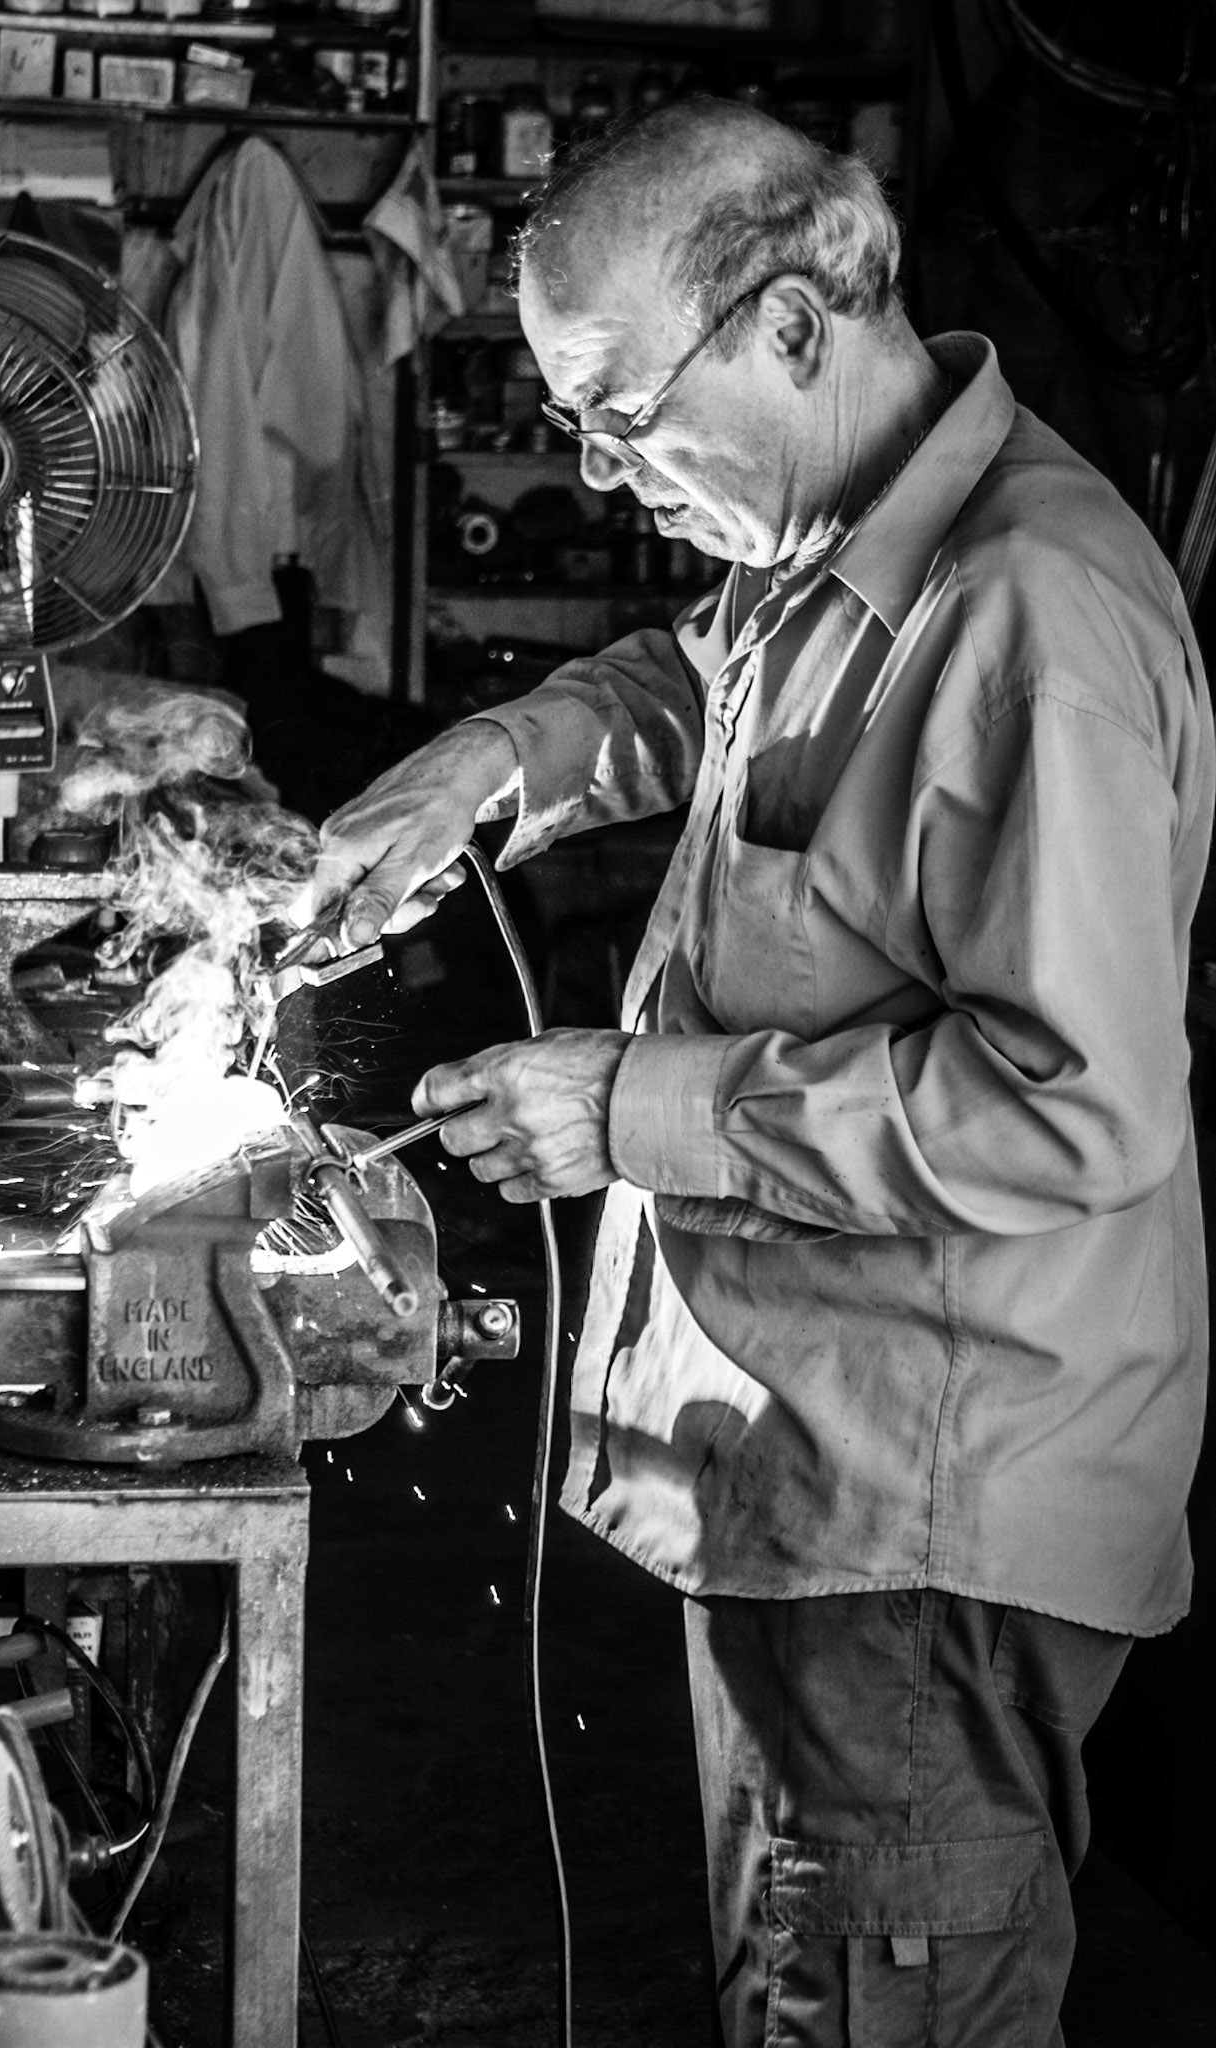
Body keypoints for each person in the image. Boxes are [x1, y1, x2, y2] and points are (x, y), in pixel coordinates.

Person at [291, 100, 1214, 2047]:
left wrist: (634, 1107)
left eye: (624, 412)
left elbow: (1073, 1102)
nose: (604, 472)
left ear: (794, 325)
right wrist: (494, 769)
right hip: (813, 1471)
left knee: (874, 2010)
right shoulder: (838, 542)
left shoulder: (1024, 614)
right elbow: (700, 686)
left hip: (926, 1509)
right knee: (805, 1988)